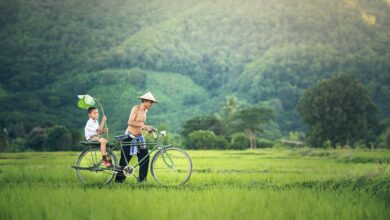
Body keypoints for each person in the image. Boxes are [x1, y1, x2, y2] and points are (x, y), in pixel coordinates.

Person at [115, 92, 158, 183]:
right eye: (151, 102)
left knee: (145, 157)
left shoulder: (145, 111)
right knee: (124, 161)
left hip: (139, 138)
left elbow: (141, 125)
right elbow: (130, 122)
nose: (152, 105)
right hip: (129, 137)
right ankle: (119, 181)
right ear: (145, 101)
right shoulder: (136, 108)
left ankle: (142, 180)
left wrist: (148, 128)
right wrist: (144, 126)